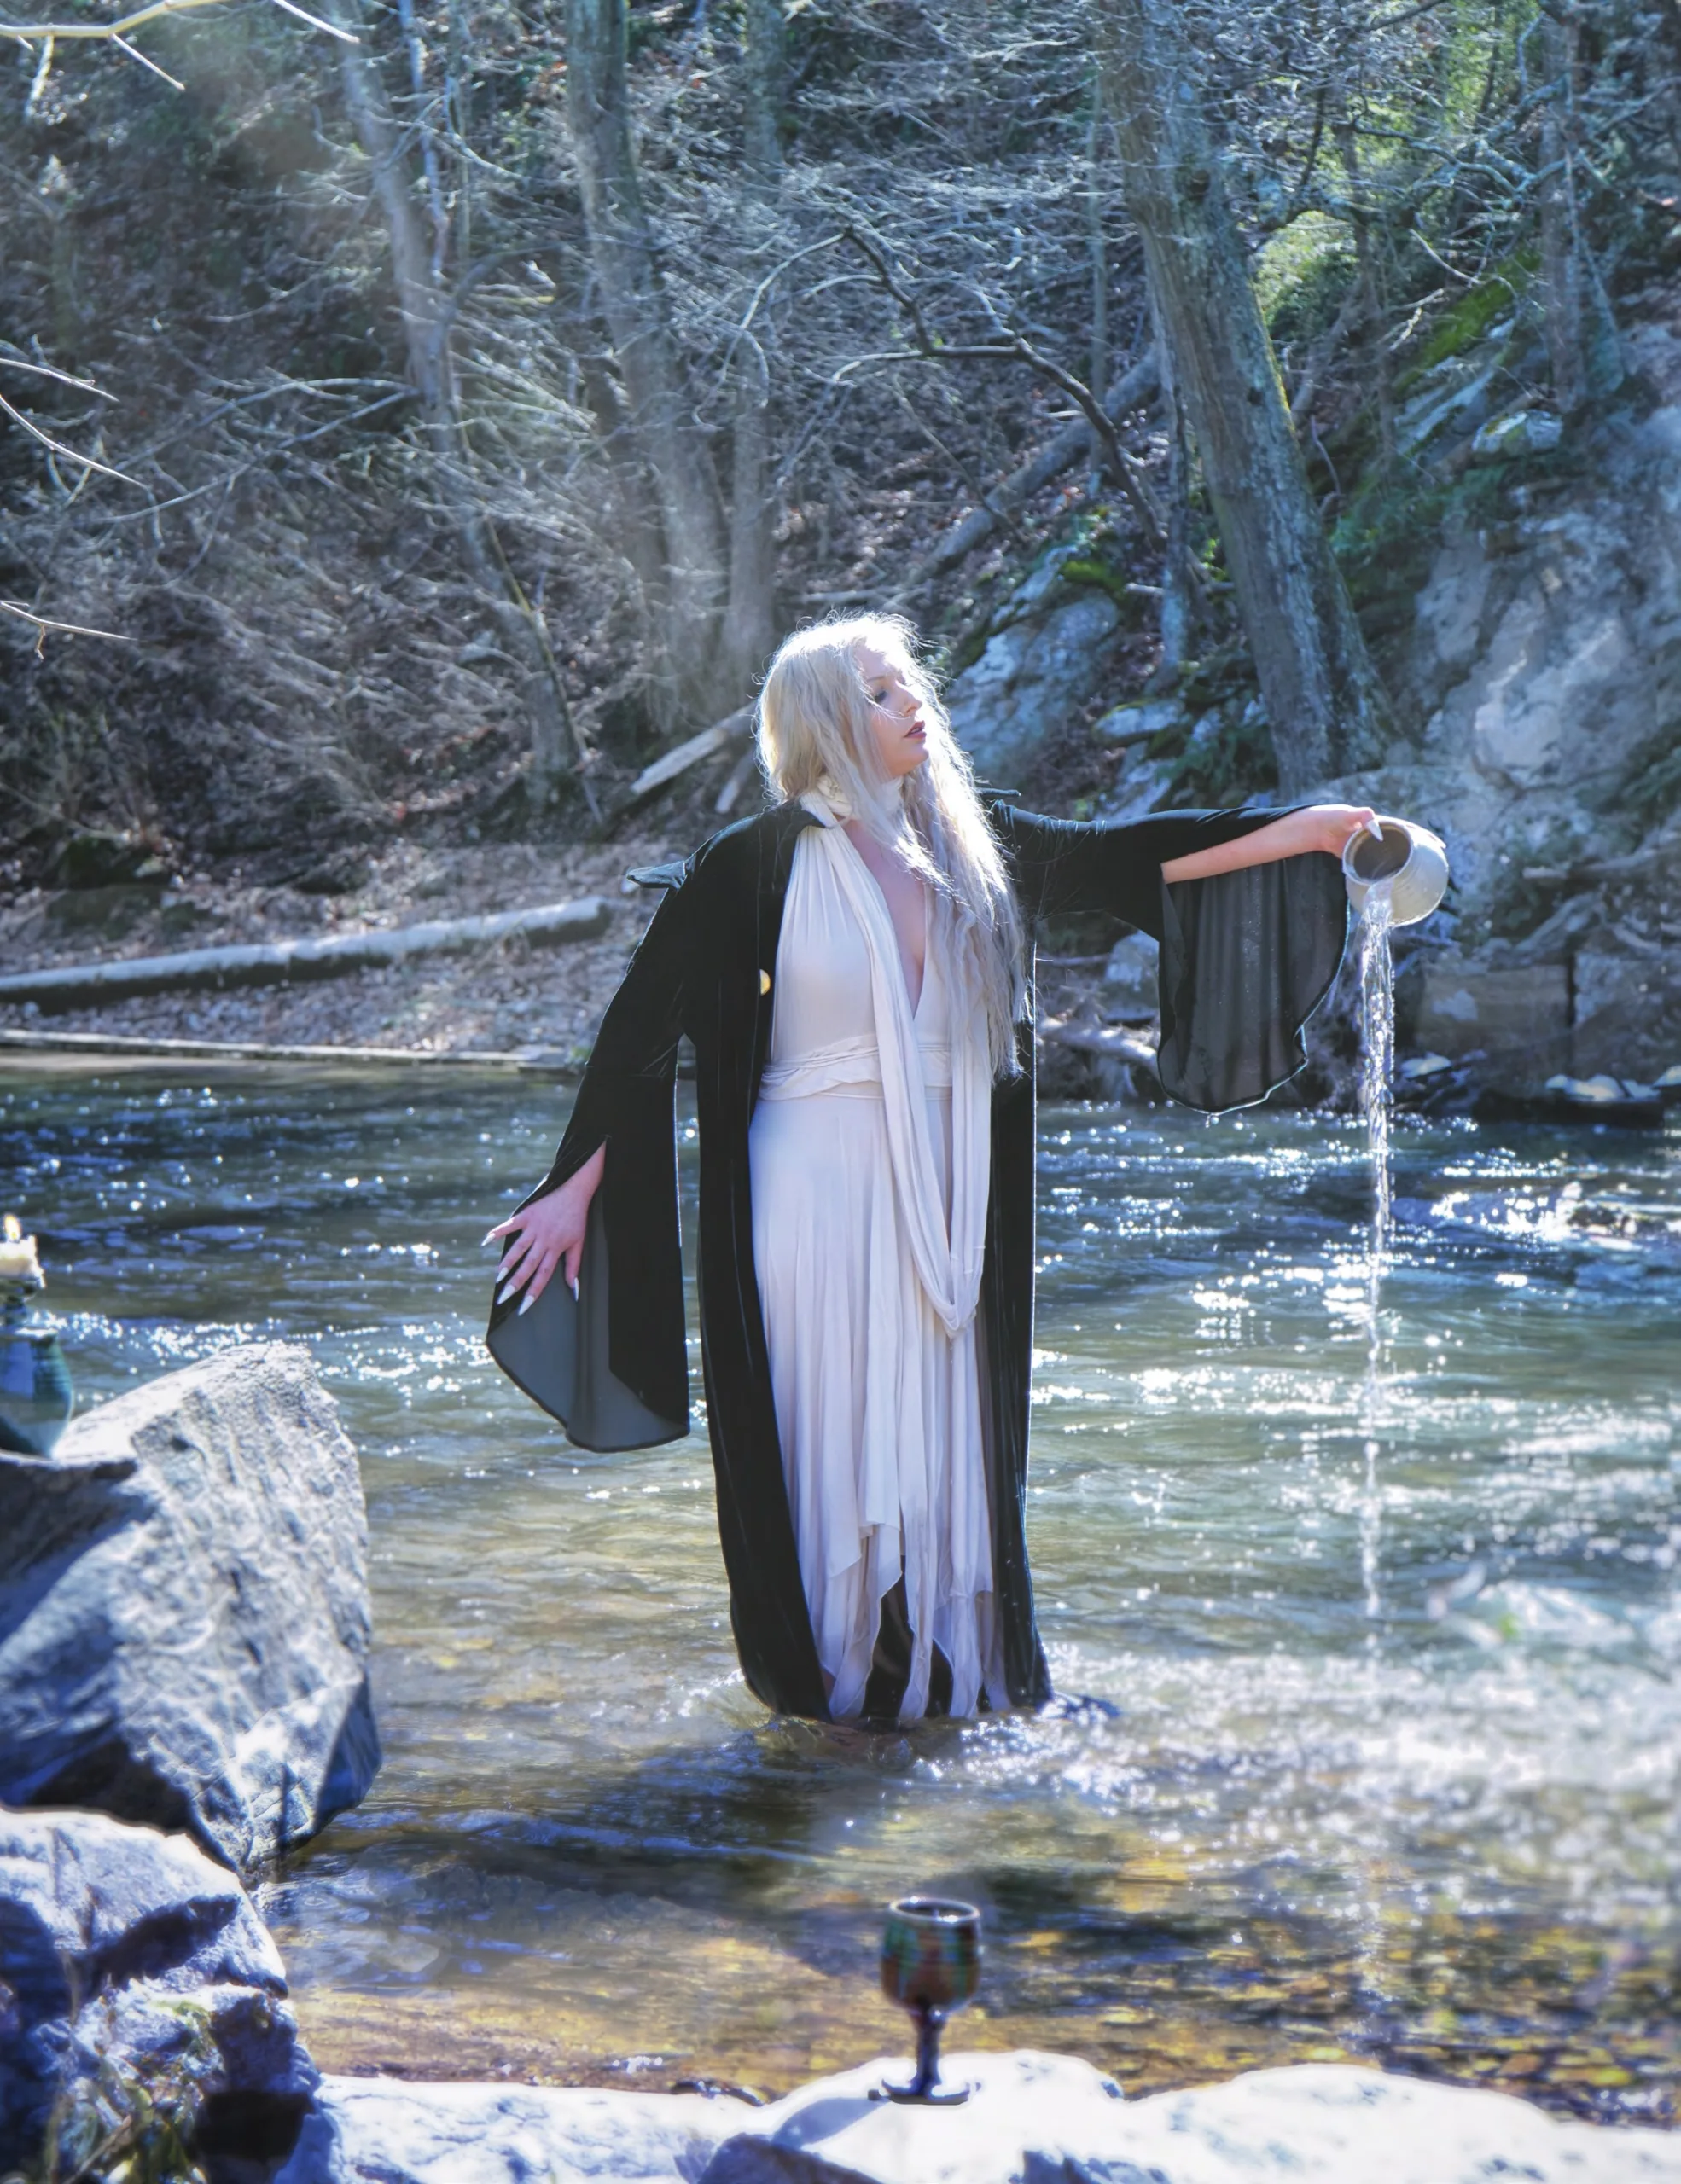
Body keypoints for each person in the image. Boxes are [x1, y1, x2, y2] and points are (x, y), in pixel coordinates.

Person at [486, 614, 1376, 1725]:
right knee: (833, 1437)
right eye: (876, 689)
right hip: (806, 1194)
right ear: (819, 719)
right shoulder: (749, 866)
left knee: (947, 1434)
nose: (911, 700)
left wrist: (1307, 834)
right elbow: (639, 1031)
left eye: (909, 681)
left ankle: (956, 1674)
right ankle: (837, 1677)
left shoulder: (974, 840)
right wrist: (577, 1187)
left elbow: (1129, 858)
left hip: (955, 1206)